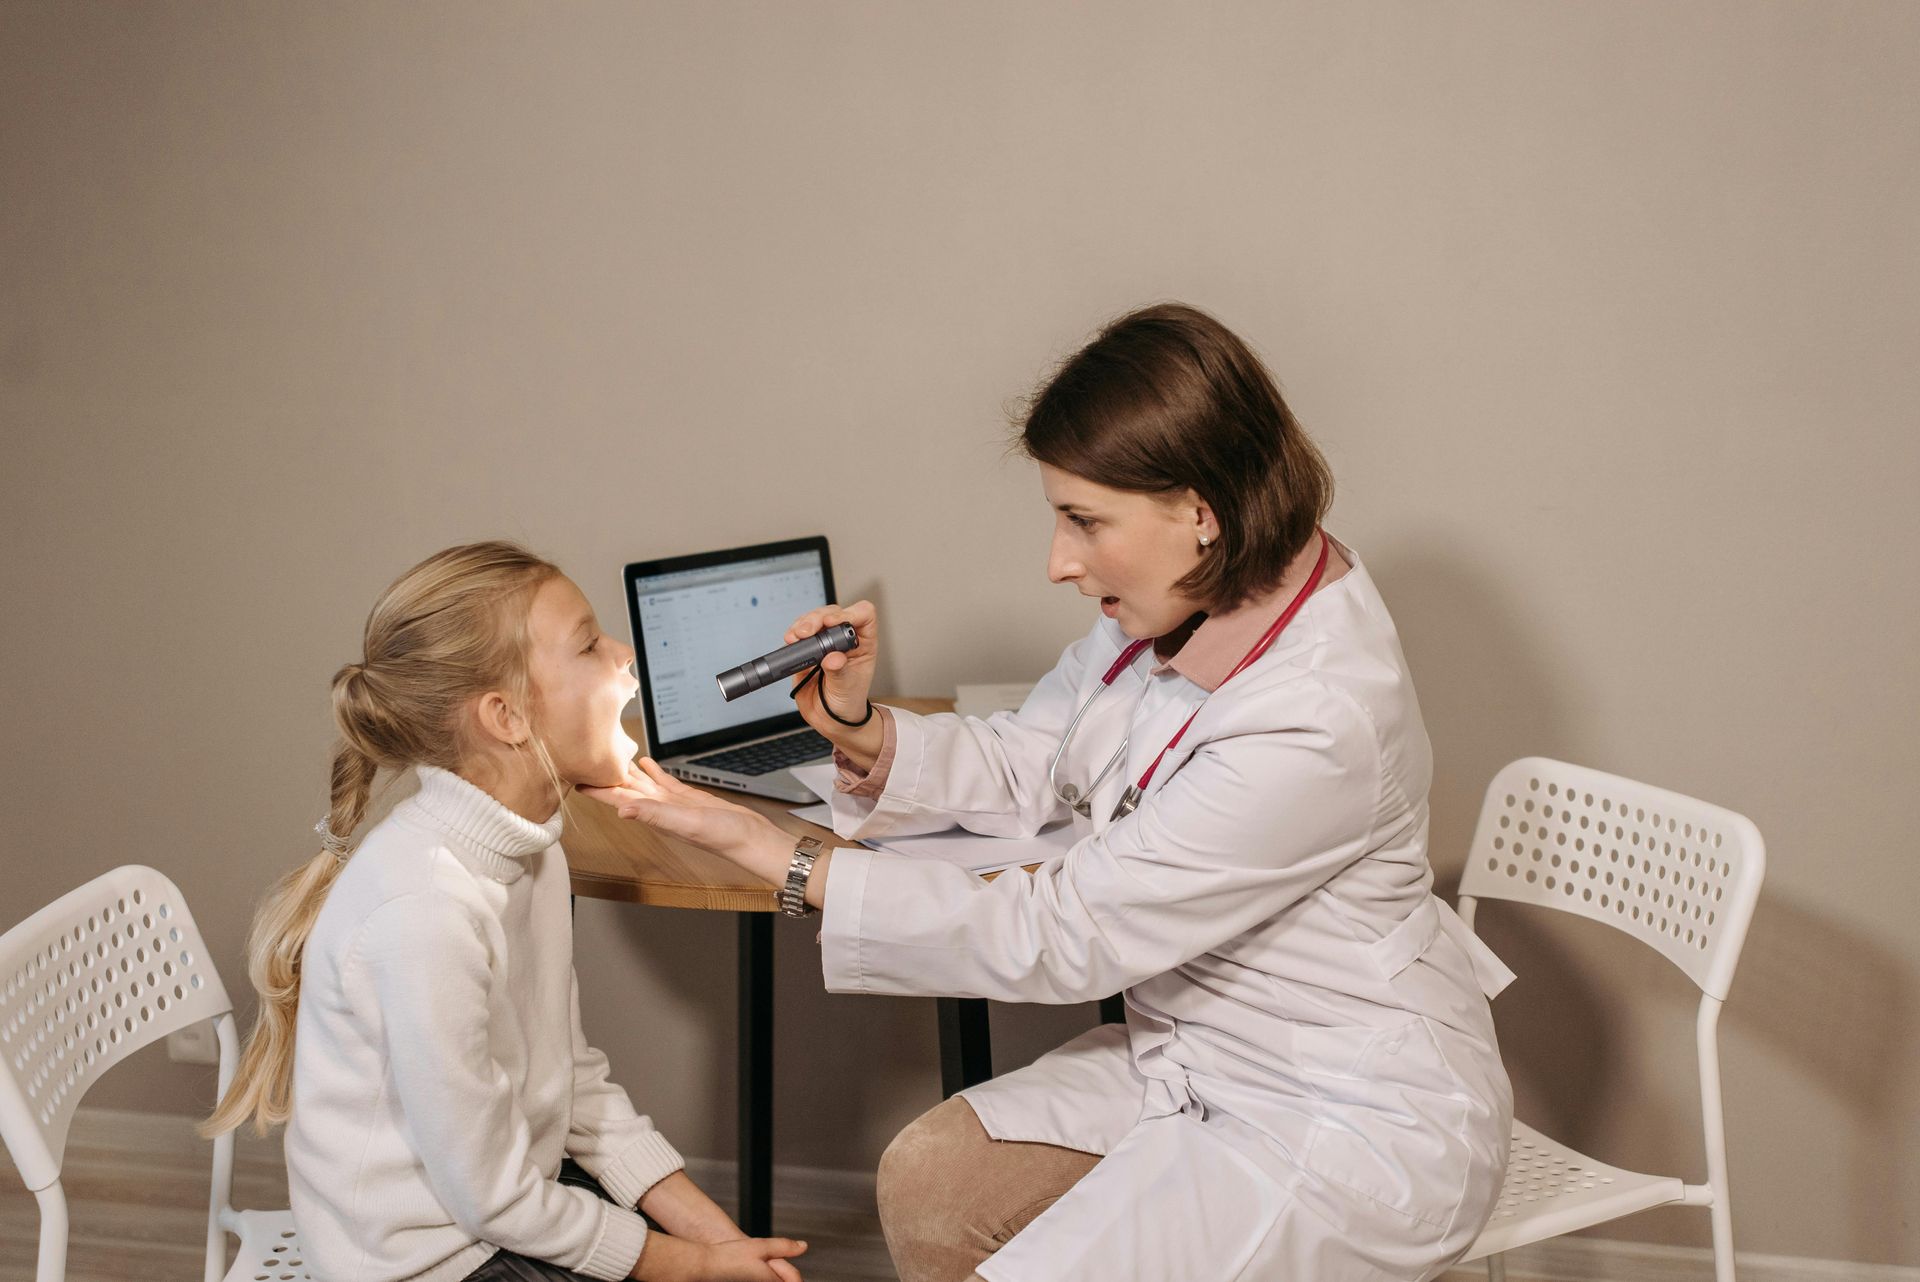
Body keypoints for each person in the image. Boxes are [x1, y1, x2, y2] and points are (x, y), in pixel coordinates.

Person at [586, 303, 1517, 1282]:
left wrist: (784, 856)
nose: (1058, 562)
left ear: (1199, 510)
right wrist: (861, 727)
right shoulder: (1193, 590)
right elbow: (1039, 754)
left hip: (1342, 1114)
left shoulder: (1316, 715)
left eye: (1084, 521)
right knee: (930, 1180)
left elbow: (1068, 930)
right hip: (1197, 1051)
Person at [202, 542, 809, 1282]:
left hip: (503, 1201)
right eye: (588, 644)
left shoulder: (533, 852)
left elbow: (571, 1082)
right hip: (426, 1262)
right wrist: (692, 1267)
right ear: (508, 716)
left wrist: (718, 1240)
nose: (625, 656)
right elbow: (493, 1199)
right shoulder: (425, 912)